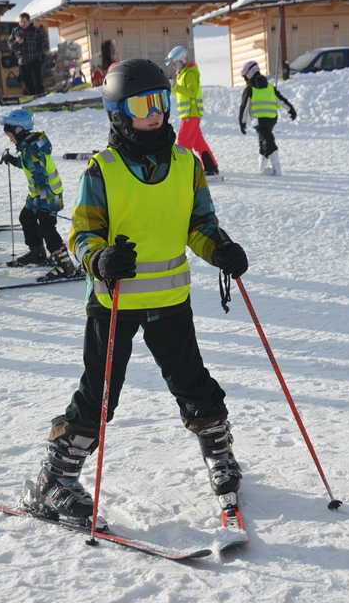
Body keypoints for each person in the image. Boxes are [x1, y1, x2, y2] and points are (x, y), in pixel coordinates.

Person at [22, 58, 248, 524]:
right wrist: (100, 259)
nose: (156, 113)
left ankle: (219, 453)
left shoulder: (186, 164)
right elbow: (82, 233)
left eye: (161, 101)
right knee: (100, 393)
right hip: (114, 301)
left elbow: (199, 224)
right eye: (143, 105)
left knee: (192, 382)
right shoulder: (101, 170)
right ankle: (54, 478)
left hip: (170, 301)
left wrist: (221, 249)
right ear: (118, 113)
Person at [0, 109, 75, 279]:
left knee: (47, 227)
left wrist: (43, 207)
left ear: (19, 131)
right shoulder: (30, 147)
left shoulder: (31, 151)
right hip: (39, 195)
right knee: (26, 217)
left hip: (47, 195)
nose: (10, 139)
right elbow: (28, 164)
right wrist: (13, 160)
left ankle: (65, 265)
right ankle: (37, 253)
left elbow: (40, 179)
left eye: (11, 136)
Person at [165, 45, 219, 176]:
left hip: (191, 113)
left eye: (175, 64)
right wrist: (172, 86)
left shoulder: (189, 74)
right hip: (188, 113)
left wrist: (175, 86)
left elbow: (192, 92)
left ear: (181, 61)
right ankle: (211, 167)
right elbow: (181, 93)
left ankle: (183, 169)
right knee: (198, 143)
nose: (174, 67)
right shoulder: (182, 74)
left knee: (183, 142)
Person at [239, 60, 297, 176]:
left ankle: (276, 168)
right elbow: (280, 99)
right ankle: (262, 168)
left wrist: (242, 122)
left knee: (268, 141)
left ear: (249, 74)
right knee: (263, 140)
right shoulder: (269, 86)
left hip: (259, 120)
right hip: (271, 119)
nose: (245, 80)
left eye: (245, 77)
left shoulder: (250, 89)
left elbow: (244, 107)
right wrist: (290, 109)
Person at [8, 13, 48, 96]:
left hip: (34, 60)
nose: (22, 24)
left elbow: (45, 43)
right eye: (20, 22)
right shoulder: (15, 32)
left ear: (29, 21)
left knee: (37, 81)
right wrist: (17, 42)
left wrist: (39, 51)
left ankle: (41, 97)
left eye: (24, 22)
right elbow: (11, 46)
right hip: (22, 62)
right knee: (28, 83)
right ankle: (32, 98)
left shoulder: (36, 31)